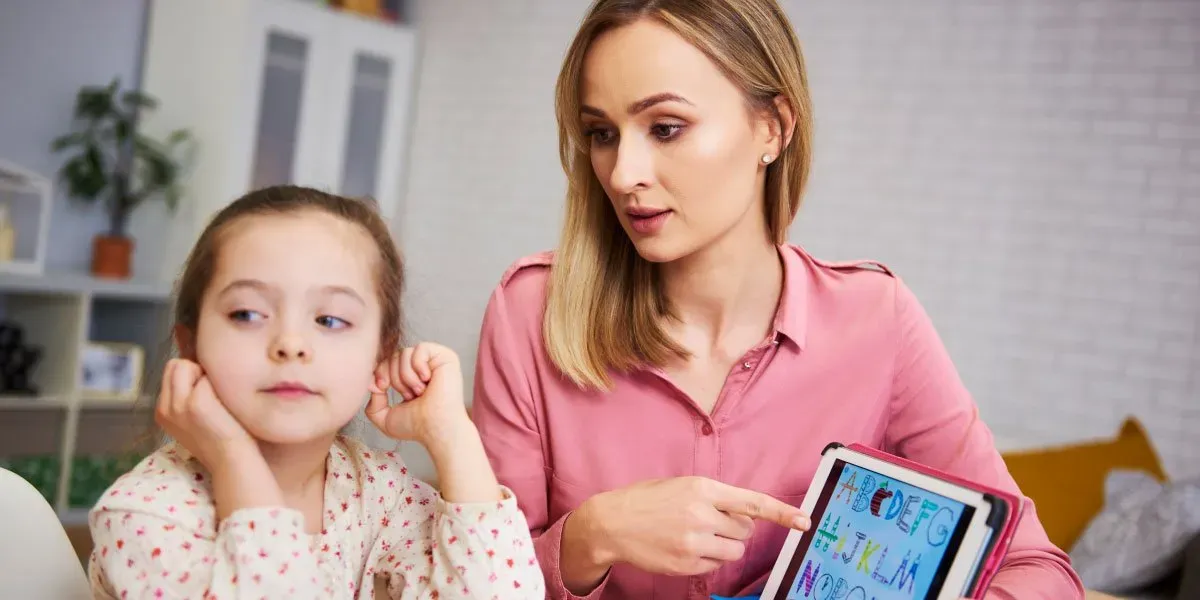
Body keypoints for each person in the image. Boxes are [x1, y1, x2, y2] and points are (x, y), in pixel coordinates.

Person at [470, 1, 1085, 599]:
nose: (623, 172)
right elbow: (472, 583)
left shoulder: (876, 319)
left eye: (665, 128)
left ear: (773, 127)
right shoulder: (530, 312)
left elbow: (1037, 567)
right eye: (601, 134)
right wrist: (593, 537)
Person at [87, 186, 545, 599]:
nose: (291, 344)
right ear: (190, 347)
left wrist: (452, 435)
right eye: (247, 314)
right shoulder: (148, 513)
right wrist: (233, 457)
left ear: (379, 356)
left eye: (329, 320)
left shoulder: (376, 492)